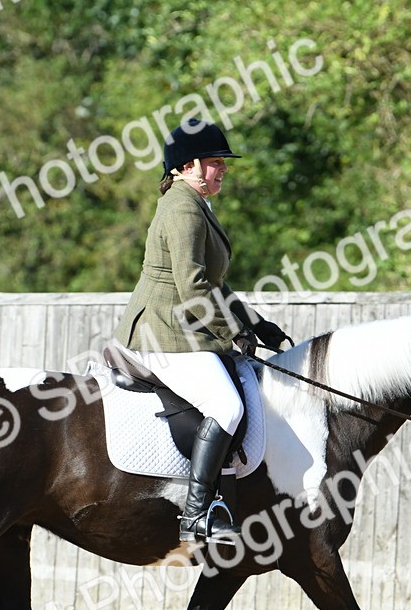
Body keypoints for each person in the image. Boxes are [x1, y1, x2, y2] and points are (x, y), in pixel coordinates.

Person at [112, 118, 290, 545]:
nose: (223, 170)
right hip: (164, 333)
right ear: (186, 165)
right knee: (227, 406)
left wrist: (252, 323)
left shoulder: (195, 204)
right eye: (215, 163)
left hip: (184, 329)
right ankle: (196, 513)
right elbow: (192, 286)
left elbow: (215, 284)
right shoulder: (180, 207)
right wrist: (231, 334)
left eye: (222, 163)